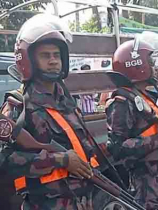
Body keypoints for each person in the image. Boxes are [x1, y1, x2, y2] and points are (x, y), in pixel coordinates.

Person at [0, 14, 97, 210]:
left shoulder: (68, 103)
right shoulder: (18, 105)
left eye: (56, 55)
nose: (53, 61)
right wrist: (59, 159)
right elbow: (4, 160)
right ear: (29, 61)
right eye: (45, 56)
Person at [105, 32, 158, 209]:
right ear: (137, 65)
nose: (154, 67)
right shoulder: (122, 102)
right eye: (150, 62)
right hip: (147, 188)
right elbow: (117, 149)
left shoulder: (148, 98)